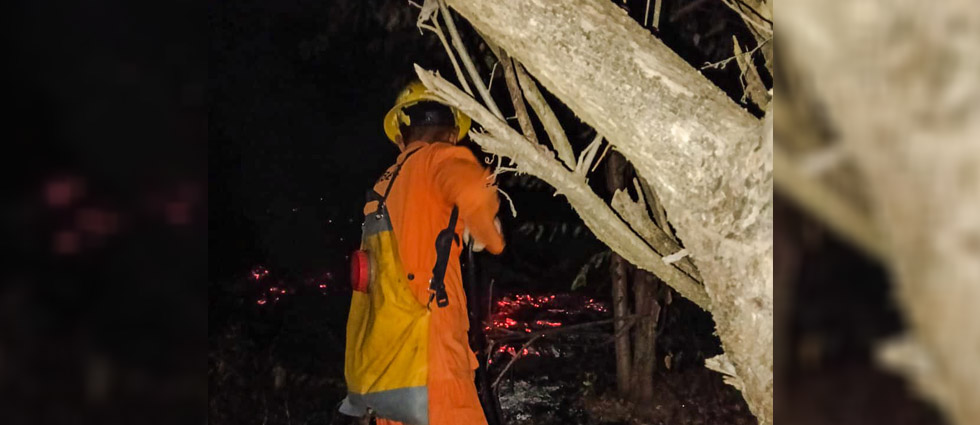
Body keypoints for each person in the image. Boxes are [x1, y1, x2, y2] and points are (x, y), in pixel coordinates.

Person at [343, 80, 504, 425]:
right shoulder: (439, 158)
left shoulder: (382, 187)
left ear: (401, 134)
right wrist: (486, 230)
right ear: (451, 134)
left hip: (388, 354)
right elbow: (475, 193)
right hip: (433, 350)